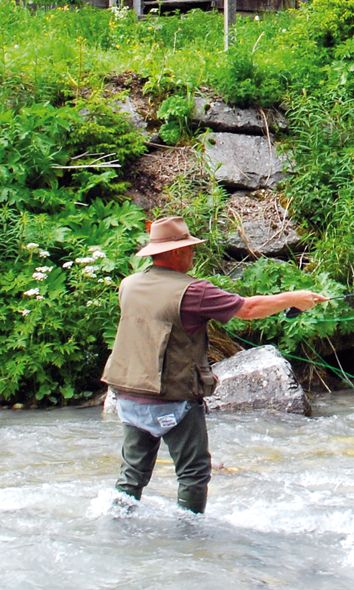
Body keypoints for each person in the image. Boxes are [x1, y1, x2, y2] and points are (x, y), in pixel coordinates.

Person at [101, 216, 326, 514]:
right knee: (193, 475)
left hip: (128, 396)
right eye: (189, 248)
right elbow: (248, 309)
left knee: (132, 476)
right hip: (172, 400)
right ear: (174, 252)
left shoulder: (129, 285)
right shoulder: (194, 291)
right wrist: (292, 298)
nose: (193, 253)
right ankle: (191, 539)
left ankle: (117, 526)